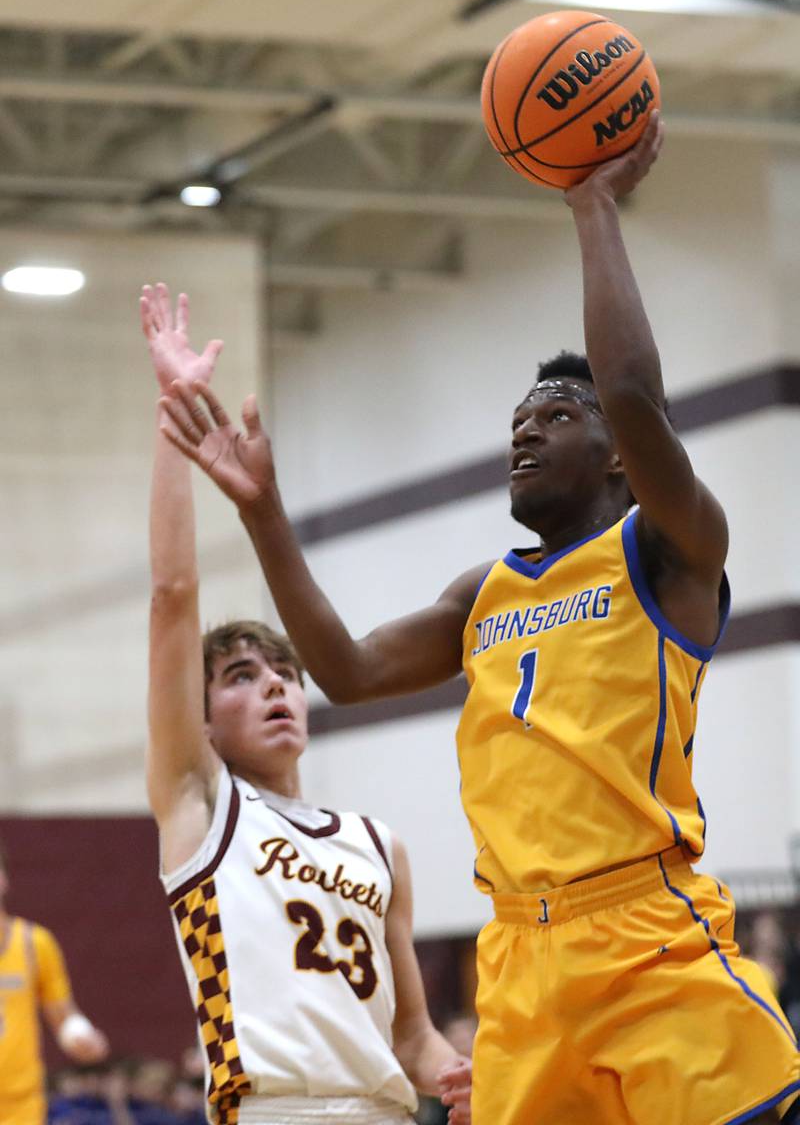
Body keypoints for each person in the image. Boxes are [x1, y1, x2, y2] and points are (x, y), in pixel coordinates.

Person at [156, 111, 799, 1124]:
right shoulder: (480, 592)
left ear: (620, 455)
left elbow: (629, 388)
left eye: (555, 417)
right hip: (514, 960)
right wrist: (261, 511)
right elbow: (349, 669)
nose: (524, 433)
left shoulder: (667, 549)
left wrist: (590, 200)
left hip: (643, 930)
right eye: (515, 423)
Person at [141, 284, 471, 1125]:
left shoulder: (378, 846)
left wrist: (458, 1073)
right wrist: (176, 423)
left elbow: (410, 1039)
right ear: (203, 720)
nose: (276, 685)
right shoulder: (199, 806)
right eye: (241, 676)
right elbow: (174, 596)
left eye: (283, 671)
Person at [0, 840, 108, 1124]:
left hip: (21, 1105)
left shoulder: (34, 944)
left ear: (4, 879)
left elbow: (63, 1016)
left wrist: (82, 1038)